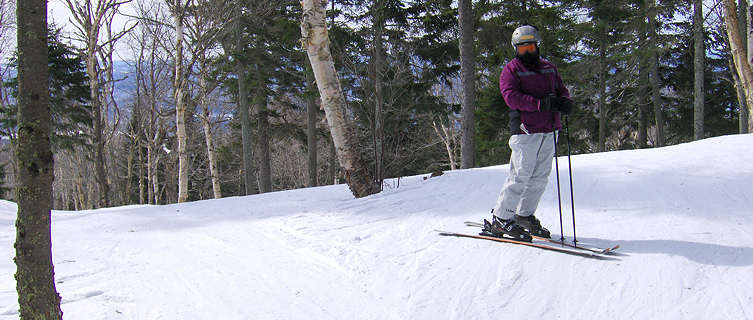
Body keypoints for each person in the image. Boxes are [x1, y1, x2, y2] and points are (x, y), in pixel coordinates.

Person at [483, 24, 573, 242]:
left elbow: (561, 89)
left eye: (531, 47)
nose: (528, 52)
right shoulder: (512, 70)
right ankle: (501, 218)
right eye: (523, 49)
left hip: (550, 129)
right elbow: (511, 97)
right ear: (516, 49)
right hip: (526, 130)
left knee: (540, 177)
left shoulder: (549, 68)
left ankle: (524, 215)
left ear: (537, 46)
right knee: (521, 174)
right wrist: (541, 104)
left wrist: (565, 102)